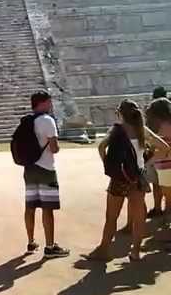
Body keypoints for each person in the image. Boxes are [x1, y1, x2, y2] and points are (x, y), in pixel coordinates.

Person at [86, 100, 169, 262]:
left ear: (120, 114)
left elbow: (101, 147)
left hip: (119, 178)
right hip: (137, 177)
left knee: (111, 217)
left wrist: (109, 165)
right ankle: (135, 252)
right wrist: (145, 162)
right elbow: (165, 148)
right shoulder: (142, 129)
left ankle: (104, 249)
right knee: (139, 217)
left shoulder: (117, 130)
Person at [24, 91, 70, 259]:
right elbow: (54, 148)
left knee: (29, 207)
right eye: (49, 102)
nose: (51, 105)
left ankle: (31, 242)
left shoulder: (28, 121)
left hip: (29, 169)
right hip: (46, 169)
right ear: (42, 103)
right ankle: (50, 246)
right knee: (47, 208)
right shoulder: (47, 121)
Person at [147, 97, 171, 229]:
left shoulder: (162, 127)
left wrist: (149, 162)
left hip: (166, 165)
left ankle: (167, 224)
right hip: (164, 165)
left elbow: (163, 148)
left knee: (168, 197)